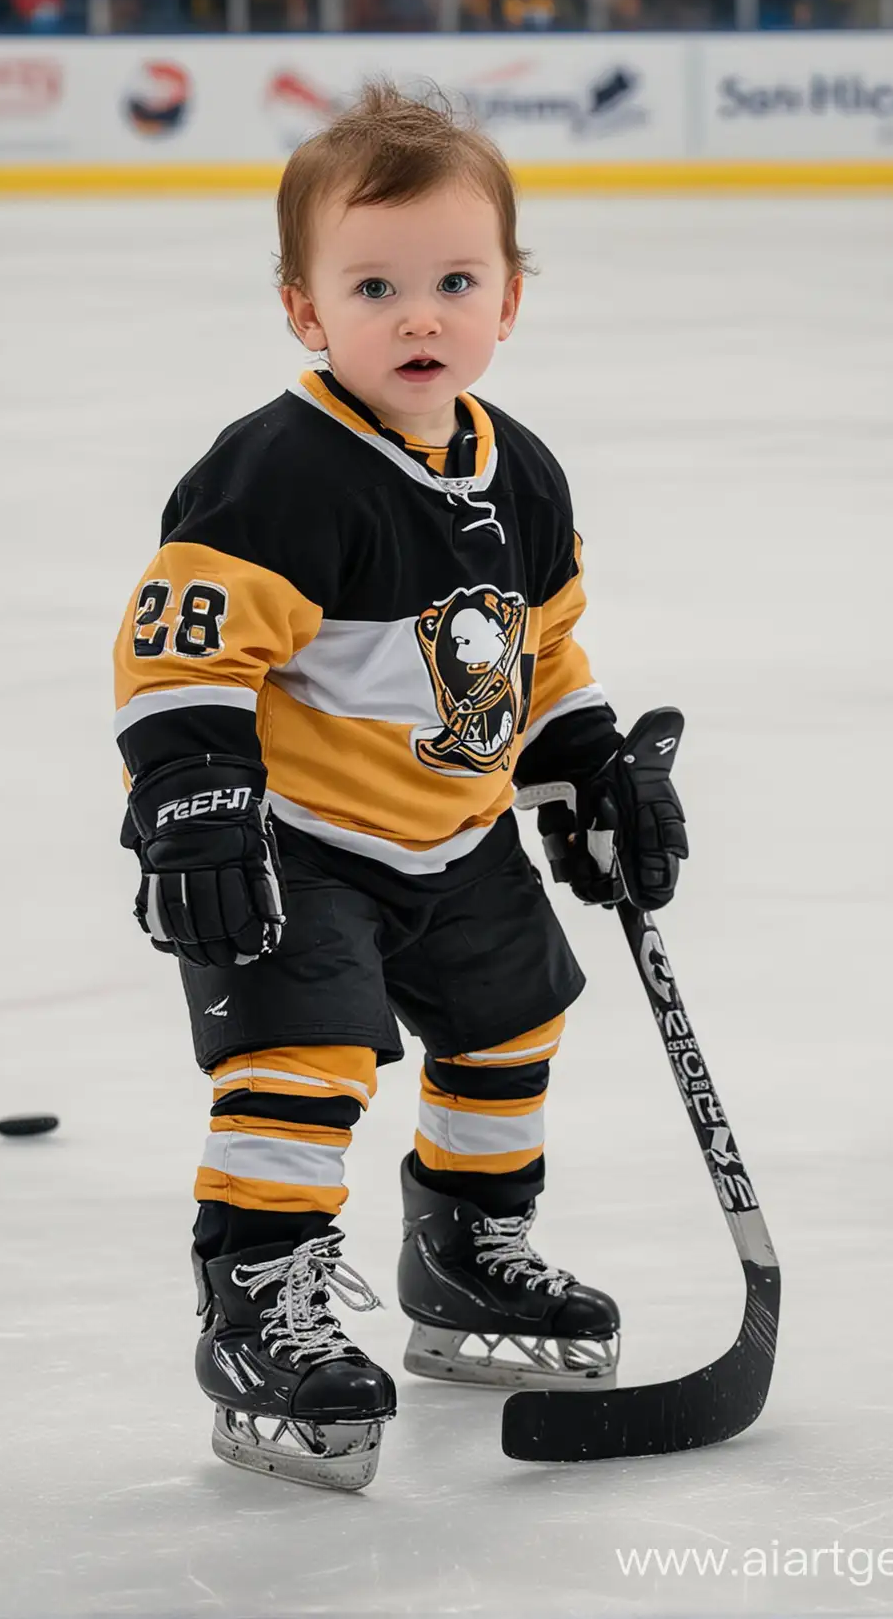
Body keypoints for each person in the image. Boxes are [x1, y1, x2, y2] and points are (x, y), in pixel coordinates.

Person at [111, 81, 687, 1490]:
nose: (418, 315)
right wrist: (191, 799)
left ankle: (465, 1253)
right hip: (298, 846)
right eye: (374, 287)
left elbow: (542, 657)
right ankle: (262, 1306)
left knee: (511, 1033)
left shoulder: (522, 473)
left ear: (508, 298)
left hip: (456, 834)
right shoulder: (278, 474)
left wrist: (592, 772)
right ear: (308, 313)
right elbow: (179, 652)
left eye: (452, 282)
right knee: (299, 1070)